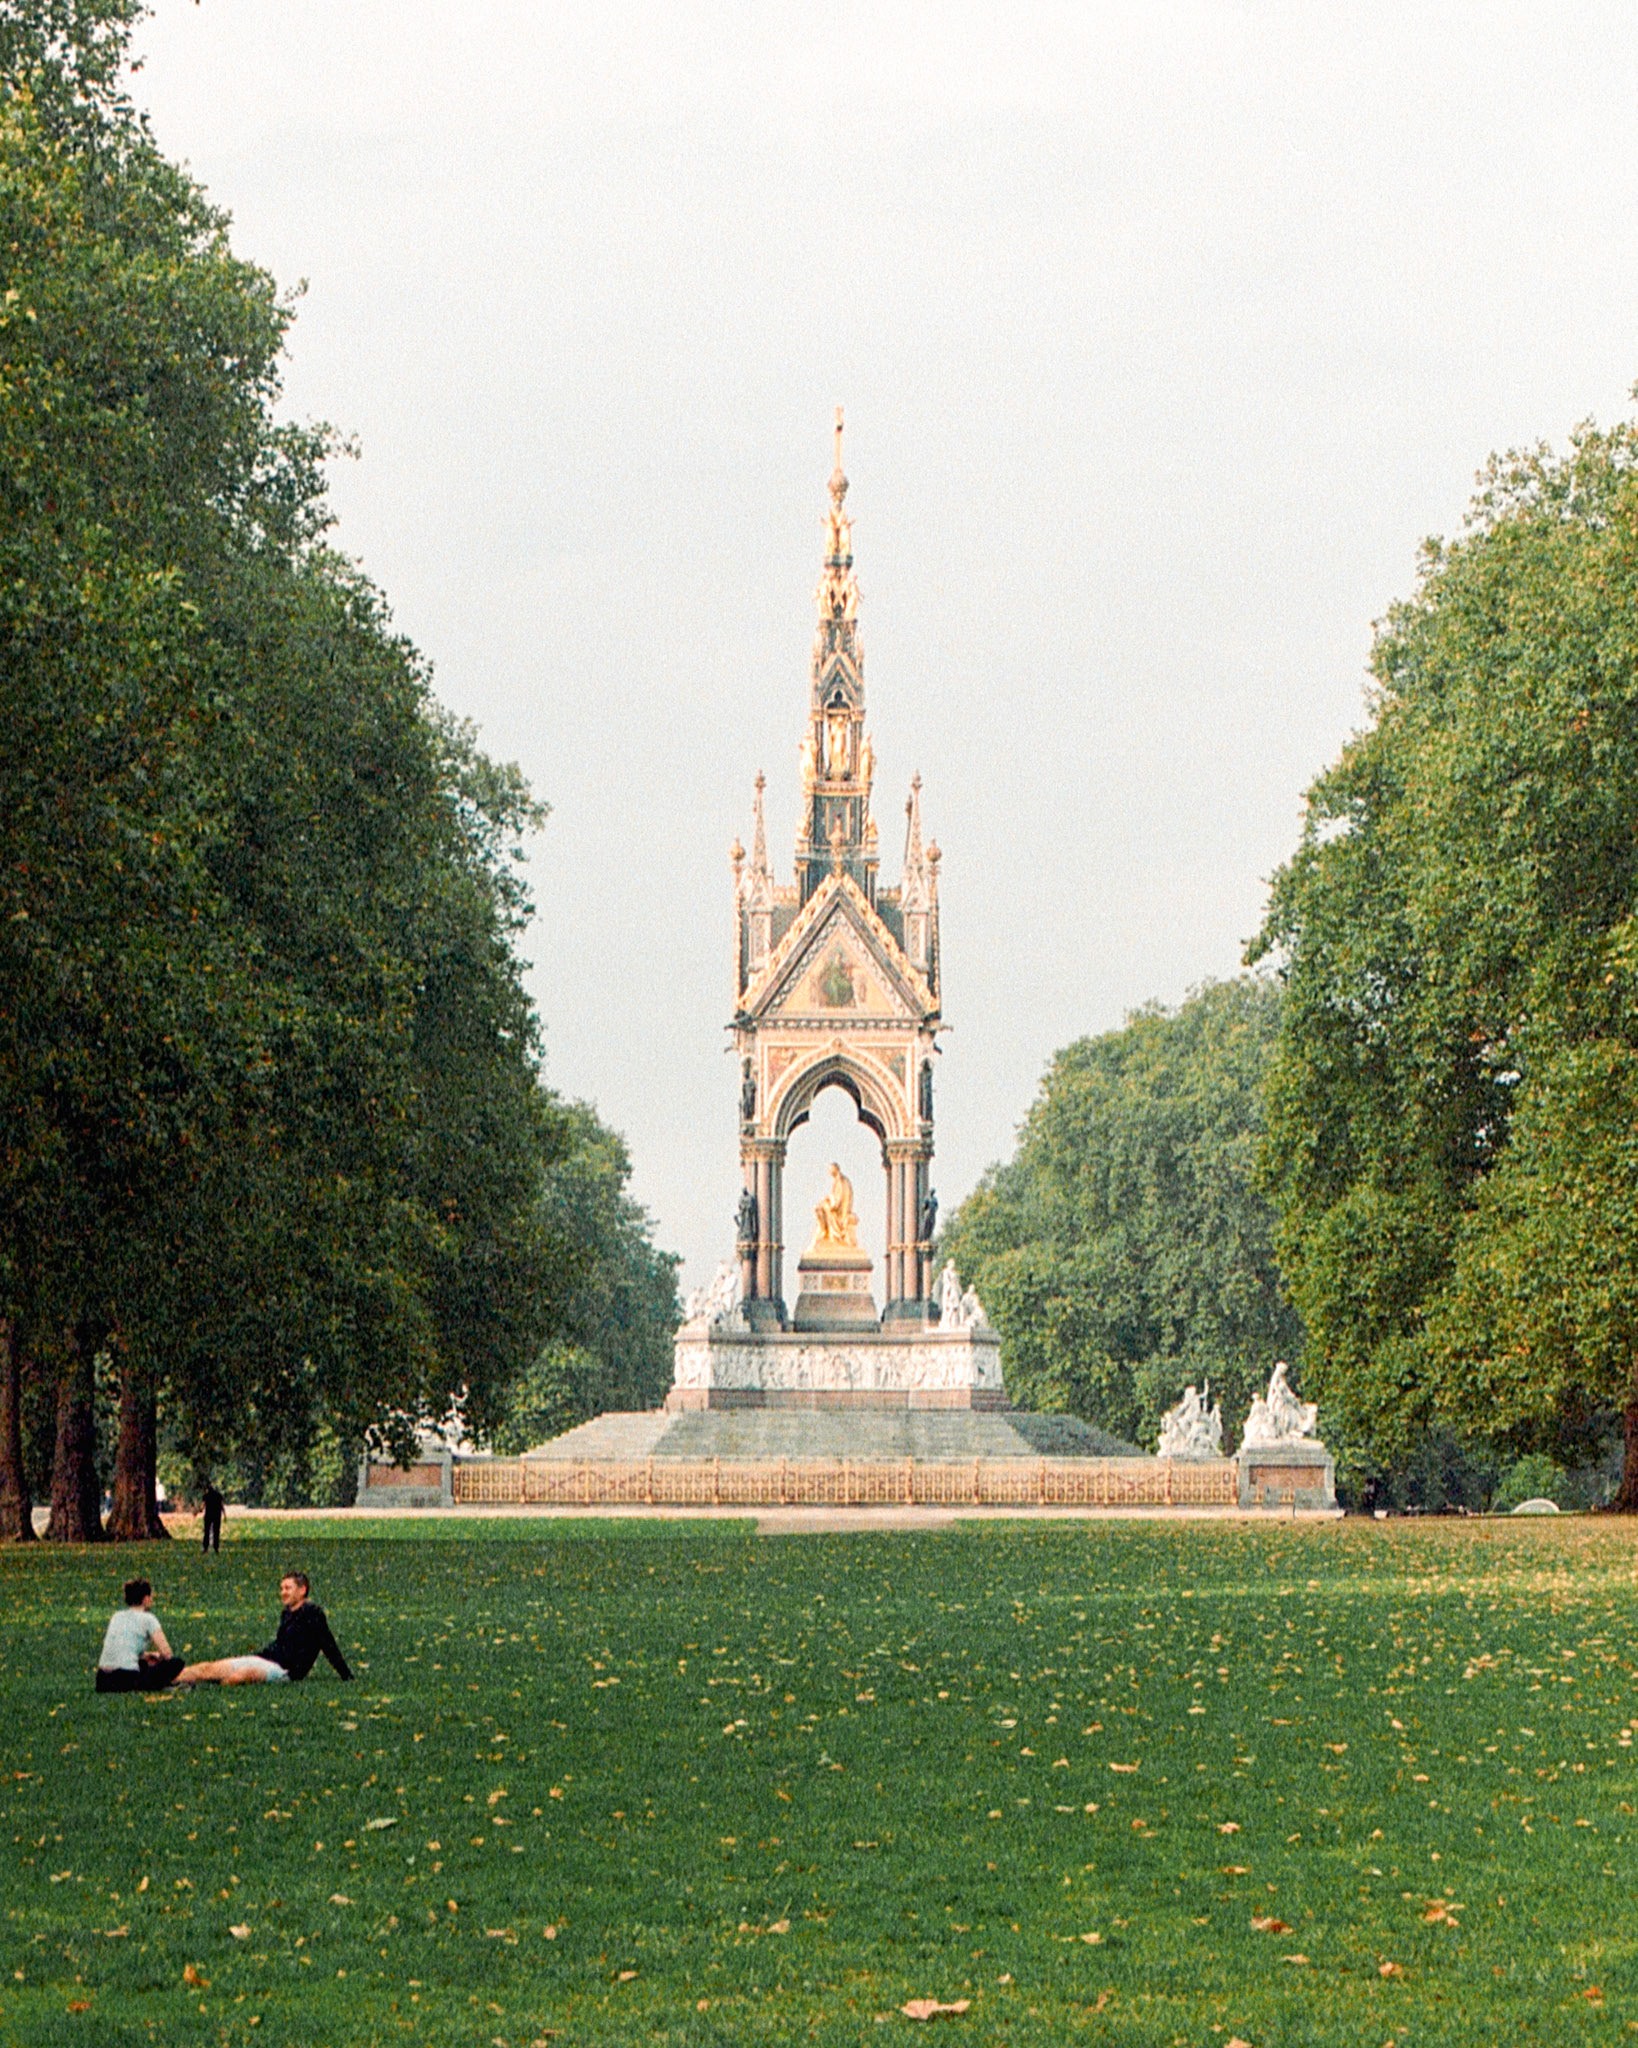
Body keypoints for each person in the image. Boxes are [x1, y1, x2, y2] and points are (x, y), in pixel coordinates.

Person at [177, 1571, 353, 1687]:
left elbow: (328, 1644)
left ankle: (196, 1687)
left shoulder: (313, 1613)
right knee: (209, 1668)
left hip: (285, 1671)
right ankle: (168, 1679)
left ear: (302, 1590)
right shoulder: (287, 1612)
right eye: (282, 1588)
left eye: (288, 1588)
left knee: (240, 1676)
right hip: (264, 1659)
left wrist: (346, 1675)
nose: (283, 1592)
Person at [95, 1578, 183, 1693]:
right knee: (176, 1662)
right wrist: (160, 1658)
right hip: (126, 1678)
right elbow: (167, 1654)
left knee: (143, 1663)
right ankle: (160, 1685)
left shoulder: (117, 1616)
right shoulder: (148, 1619)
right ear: (146, 1599)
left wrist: (147, 1655)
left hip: (102, 1679)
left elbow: (123, 1647)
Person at [200, 1481, 225, 1554]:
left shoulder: (206, 1496)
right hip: (217, 1515)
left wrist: (199, 1511)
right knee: (216, 1532)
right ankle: (216, 1548)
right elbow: (222, 1506)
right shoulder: (218, 1495)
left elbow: (203, 1506)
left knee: (207, 1531)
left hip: (208, 1515)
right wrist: (224, 1515)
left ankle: (205, 1548)